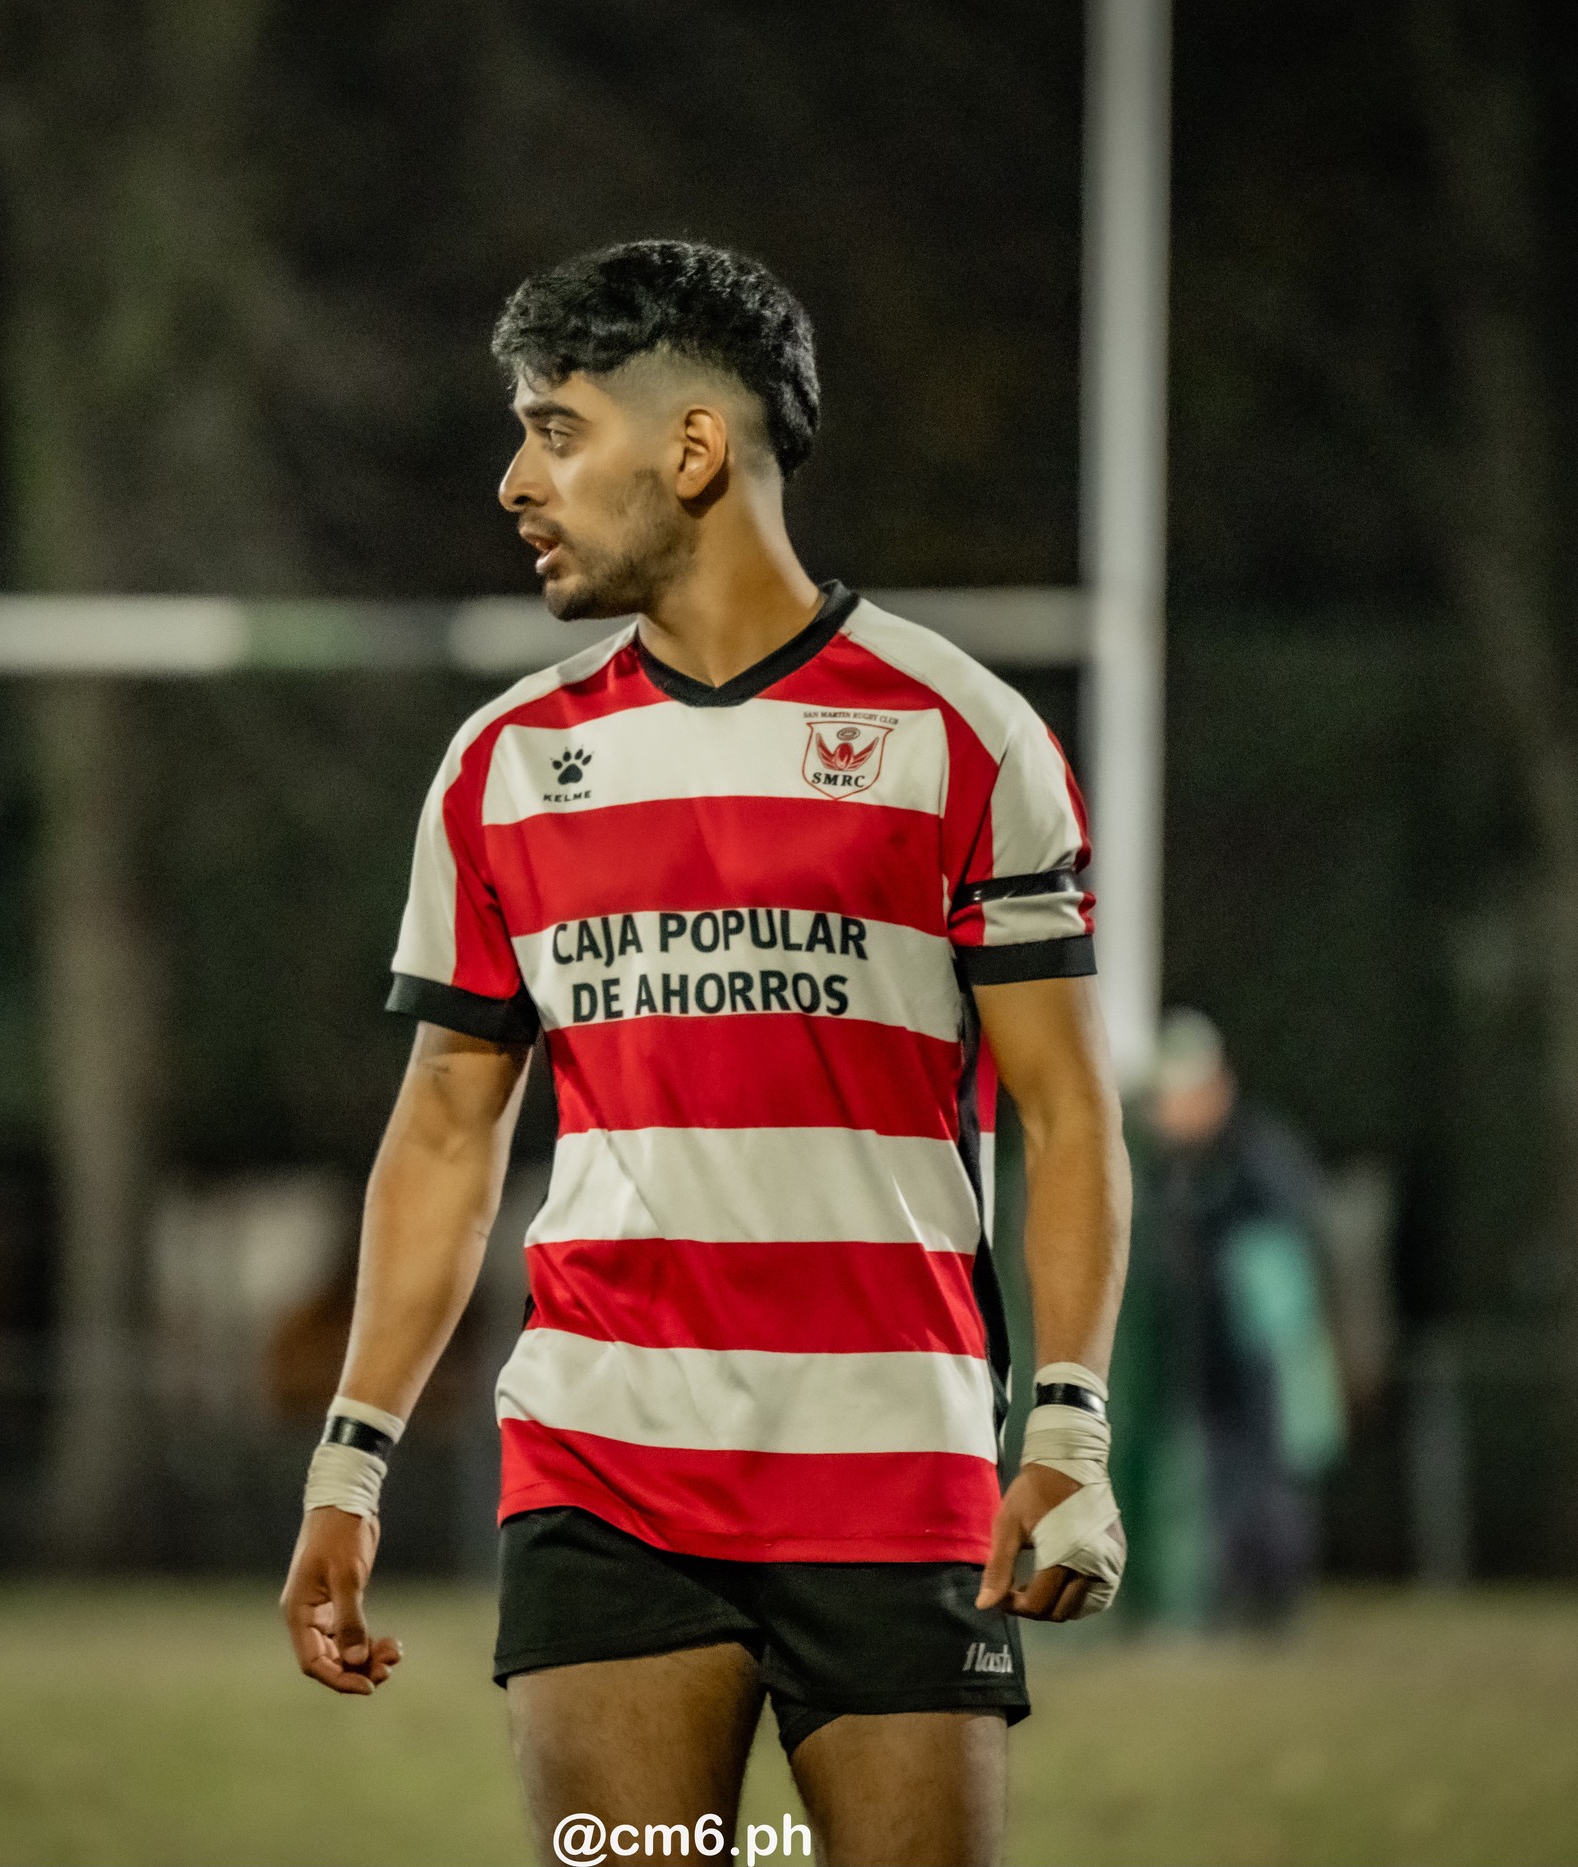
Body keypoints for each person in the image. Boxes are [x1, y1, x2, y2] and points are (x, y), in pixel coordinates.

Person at [279, 240, 1131, 1866]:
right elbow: (449, 1126)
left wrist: (1068, 1427)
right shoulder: (501, 770)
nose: (515, 478)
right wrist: (350, 1457)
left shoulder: (963, 737)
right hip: (604, 1469)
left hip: (896, 1469)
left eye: (554, 427)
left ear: (690, 451)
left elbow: (1063, 1110)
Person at [1114, 1008, 1344, 1630]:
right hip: (1210, 1348)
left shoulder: (1261, 1155)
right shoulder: (1177, 1168)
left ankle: (1272, 1604)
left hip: (1260, 1348)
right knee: (1217, 1473)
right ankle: (1234, 1596)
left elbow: (1281, 1274)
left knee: (1264, 1475)